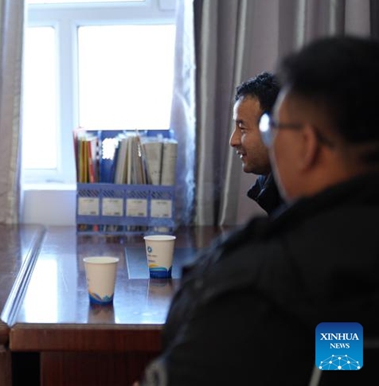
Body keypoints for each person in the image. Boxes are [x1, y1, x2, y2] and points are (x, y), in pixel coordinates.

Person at [140, 36, 379, 385]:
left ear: (308, 145)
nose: (237, 142)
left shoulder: (253, 289)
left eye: (272, 127)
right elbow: (343, 356)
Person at [230, 71, 284, 214]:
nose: (233, 141)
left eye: (242, 128)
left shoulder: (301, 194)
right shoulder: (269, 185)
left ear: (272, 129)